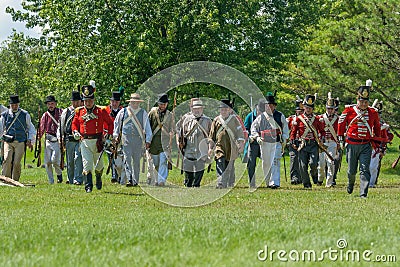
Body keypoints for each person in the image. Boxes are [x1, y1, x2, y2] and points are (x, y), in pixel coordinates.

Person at [337, 80, 381, 198]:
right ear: (357, 100)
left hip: (366, 145)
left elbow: (377, 127)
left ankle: (363, 193)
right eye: (361, 101)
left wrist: (378, 141)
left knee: (364, 169)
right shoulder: (349, 110)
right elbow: (341, 124)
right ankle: (350, 184)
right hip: (352, 144)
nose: (363, 104)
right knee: (351, 171)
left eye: (366, 102)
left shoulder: (373, 113)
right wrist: (340, 137)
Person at [72, 85, 114, 193]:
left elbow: (110, 123)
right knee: (87, 164)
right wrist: (75, 131)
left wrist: (108, 137)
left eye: (90, 100)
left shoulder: (101, 111)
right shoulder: (79, 111)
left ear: (94, 100)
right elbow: (74, 123)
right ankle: (88, 186)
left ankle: (98, 177)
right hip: (85, 141)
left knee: (99, 165)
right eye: (86, 100)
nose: (88, 103)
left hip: (98, 141)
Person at [250, 92, 289, 189]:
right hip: (264, 143)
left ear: (274, 106)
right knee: (266, 163)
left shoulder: (280, 116)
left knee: (275, 161)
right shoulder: (261, 117)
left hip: (276, 142)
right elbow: (253, 128)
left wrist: (284, 138)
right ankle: (268, 181)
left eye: (271, 105)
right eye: (267, 105)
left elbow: (285, 128)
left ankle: (274, 182)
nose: (269, 107)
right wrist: (257, 137)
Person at [113, 93, 152, 187]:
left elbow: (147, 128)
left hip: (138, 141)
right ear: (130, 102)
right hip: (126, 139)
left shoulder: (143, 113)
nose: (135, 104)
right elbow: (117, 124)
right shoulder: (123, 111)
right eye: (133, 102)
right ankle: (130, 178)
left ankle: (135, 180)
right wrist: (116, 135)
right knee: (127, 159)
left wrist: (148, 140)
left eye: (136, 102)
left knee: (136, 161)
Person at [290, 94, 325, 189]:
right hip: (303, 144)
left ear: (312, 108)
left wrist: (322, 139)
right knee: (302, 165)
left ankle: (314, 174)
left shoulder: (316, 119)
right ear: (304, 107)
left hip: (313, 144)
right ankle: (306, 184)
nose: (308, 109)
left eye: (310, 107)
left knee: (313, 163)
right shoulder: (299, 119)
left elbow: (322, 131)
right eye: (306, 107)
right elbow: (293, 131)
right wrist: (292, 141)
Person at [209, 99, 245, 189]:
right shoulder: (216, 120)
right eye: (222, 110)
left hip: (231, 146)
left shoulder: (234, 119)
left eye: (225, 110)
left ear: (229, 110)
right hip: (219, 146)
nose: (223, 111)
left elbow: (240, 133)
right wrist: (210, 148)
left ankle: (230, 181)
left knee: (230, 166)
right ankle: (220, 183)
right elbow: (212, 135)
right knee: (220, 162)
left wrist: (240, 144)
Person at [0, 95, 35, 181]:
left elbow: (30, 128)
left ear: (18, 104)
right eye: (13, 105)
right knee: (7, 159)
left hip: (20, 141)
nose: (14, 106)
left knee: (16, 163)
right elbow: (1, 128)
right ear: (10, 105)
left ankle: (15, 180)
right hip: (8, 141)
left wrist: (30, 139)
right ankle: (6, 179)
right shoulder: (4, 115)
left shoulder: (25, 114)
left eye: (16, 104)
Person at [179, 99, 212, 187]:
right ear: (191, 109)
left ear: (202, 109)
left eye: (199, 108)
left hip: (202, 149)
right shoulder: (186, 120)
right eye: (195, 108)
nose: (197, 110)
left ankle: (196, 184)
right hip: (189, 148)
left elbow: (211, 136)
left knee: (200, 168)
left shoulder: (207, 120)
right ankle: (189, 183)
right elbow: (181, 135)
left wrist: (210, 148)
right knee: (188, 168)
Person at [148, 93, 175, 186]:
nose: (162, 106)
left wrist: (172, 133)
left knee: (163, 161)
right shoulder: (152, 113)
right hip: (154, 142)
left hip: (165, 142)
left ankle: (161, 181)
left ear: (167, 104)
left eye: (164, 104)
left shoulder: (170, 115)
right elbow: (147, 126)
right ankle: (156, 179)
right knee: (155, 163)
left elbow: (173, 128)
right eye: (160, 104)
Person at [59, 91, 83, 185]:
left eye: (78, 101)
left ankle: (78, 179)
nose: (76, 103)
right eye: (74, 101)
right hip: (69, 139)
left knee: (78, 158)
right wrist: (61, 139)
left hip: (80, 138)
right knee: (70, 161)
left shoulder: (82, 111)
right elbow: (62, 126)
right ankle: (70, 178)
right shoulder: (67, 111)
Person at [38, 95, 63, 184]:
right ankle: (51, 181)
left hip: (57, 140)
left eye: (52, 103)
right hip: (48, 140)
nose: (50, 106)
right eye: (49, 104)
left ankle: (59, 174)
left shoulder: (61, 112)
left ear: (55, 104)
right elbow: (41, 128)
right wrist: (38, 138)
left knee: (55, 161)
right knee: (48, 162)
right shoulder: (45, 115)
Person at [317, 92, 340, 187]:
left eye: (332, 109)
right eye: (328, 109)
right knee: (321, 164)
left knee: (331, 163)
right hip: (323, 143)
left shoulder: (338, 119)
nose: (330, 111)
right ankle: (320, 178)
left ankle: (329, 183)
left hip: (332, 143)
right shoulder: (320, 118)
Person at [369, 100, 393, 187]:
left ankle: (372, 183)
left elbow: (385, 138)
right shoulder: (366, 122)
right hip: (366, 146)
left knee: (373, 167)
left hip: (376, 148)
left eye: (378, 113)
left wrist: (383, 149)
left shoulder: (383, 125)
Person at [105, 91, 123, 183]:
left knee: (118, 156)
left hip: (119, 138)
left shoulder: (123, 111)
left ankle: (119, 175)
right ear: (110, 101)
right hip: (109, 137)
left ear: (119, 102)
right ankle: (114, 175)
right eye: (113, 101)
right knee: (110, 156)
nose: (114, 103)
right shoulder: (106, 111)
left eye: (116, 102)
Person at [286, 96, 304, 185]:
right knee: (294, 159)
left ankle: (302, 177)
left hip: (303, 142)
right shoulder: (290, 119)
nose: (300, 112)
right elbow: (286, 130)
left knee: (302, 160)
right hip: (293, 142)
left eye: (302, 111)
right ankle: (294, 177)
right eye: (299, 111)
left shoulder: (306, 119)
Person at [244, 104, 262, 188]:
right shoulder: (250, 116)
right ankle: (252, 182)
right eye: (259, 111)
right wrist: (249, 135)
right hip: (252, 142)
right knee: (251, 163)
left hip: (263, 142)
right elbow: (245, 129)